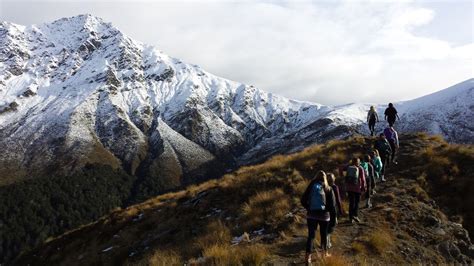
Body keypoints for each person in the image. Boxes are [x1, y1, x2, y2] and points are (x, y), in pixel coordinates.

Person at [300, 171, 337, 262]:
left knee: (311, 236)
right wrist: (326, 211)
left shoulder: (312, 186)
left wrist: (309, 208)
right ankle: (324, 254)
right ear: (325, 178)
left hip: (311, 215)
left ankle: (308, 257)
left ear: (316, 177)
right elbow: (332, 205)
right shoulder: (328, 188)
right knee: (323, 235)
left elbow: (303, 200)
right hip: (324, 216)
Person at [339, 158, 366, 224]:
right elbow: (363, 179)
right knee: (357, 203)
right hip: (357, 188)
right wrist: (364, 187)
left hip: (349, 188)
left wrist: (341, 175)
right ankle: (355, 215)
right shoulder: (360, 168)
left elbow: (340, 167)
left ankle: (351, 218)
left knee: (351, 203)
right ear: (358, 162)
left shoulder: (348, 167)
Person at [327, 173, 343, 249]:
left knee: (326, 226)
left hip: (323, 210)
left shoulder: (323, 187)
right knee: (331, 226)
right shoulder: (335, 187)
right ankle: (327, 242)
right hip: (333, 209)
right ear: (334, 179)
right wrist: (340, 210)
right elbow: (338, 200)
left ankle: (326, 241)